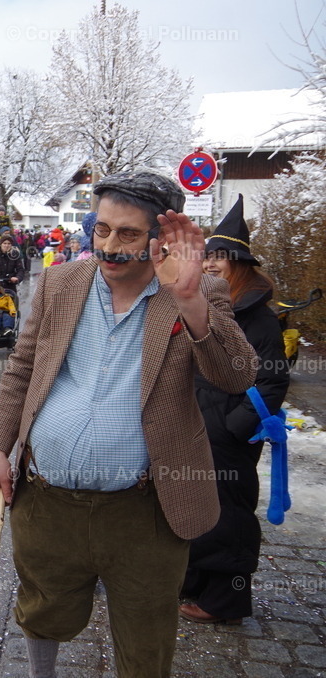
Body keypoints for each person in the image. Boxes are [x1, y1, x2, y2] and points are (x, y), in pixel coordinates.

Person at [0, 171, 257, 678]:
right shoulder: (62, 283)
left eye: (128, 234)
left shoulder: (198, 292)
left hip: (147, 509)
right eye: (102, 229)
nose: (109, 246)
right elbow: (22, 366)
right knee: (43, 608)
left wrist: (191, 299)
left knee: (145, 630)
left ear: (160, 240)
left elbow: (236, 374)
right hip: (47, 500)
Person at [181, 195, 290, 625]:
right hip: (196, 423)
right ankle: (192, 584)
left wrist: (234, 427)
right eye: (207, 258)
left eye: (220, 260)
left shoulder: (258, 317)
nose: (210, 266)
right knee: (194, 505)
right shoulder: (206, 304)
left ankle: (226, 601)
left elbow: (273, 378)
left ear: (239, 266)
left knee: (228, 511)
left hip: (227, 434)